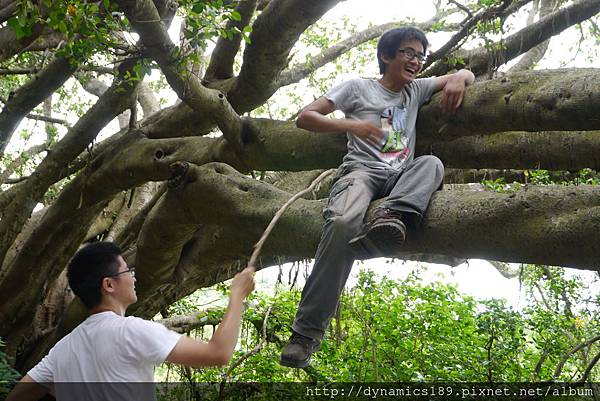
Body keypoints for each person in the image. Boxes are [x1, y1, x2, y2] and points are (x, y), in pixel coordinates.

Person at [279, 27, 475, 368]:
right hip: (361, 172)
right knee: (341, 222)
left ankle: (389, 216)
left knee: (431, 164)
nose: (415, 61)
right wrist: (351, 126)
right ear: (387, 56)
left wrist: (459, 76)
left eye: (420, 56)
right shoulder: (358, 88)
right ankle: (305, 334)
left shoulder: (416, 89)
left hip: (400, 178)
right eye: (408, 53)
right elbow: (305, 117)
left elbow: (464, 73)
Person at [6, 241, 255, 401]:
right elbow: (218, 353)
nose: (134, 278)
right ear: (109, 284)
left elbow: (18, 396)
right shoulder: (131, 331)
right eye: (128, 271)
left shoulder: (61, 351)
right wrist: (237, 297)